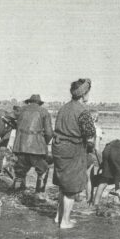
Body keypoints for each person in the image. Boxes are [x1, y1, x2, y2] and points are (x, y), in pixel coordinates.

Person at [52, 79, 95, 229]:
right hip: (72, 150)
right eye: (88, 92)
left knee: (63, 185)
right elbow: (90, 135)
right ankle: (65, 221)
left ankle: (58, 217)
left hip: (58, 148)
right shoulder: (82, 111)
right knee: (71, 188)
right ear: (84, 94)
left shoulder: (64, 108)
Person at [12, 94, 53, 197]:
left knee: (20, 172)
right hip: (36, 149)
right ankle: (39, 193)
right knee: (42, 169)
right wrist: (44, 142)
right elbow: (49, 133)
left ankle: (16, 194)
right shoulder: (44, 112)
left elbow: (9, 117)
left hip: (20, 146)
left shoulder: (21, 110)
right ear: (39, 103)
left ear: (29, 101)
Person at [93, 139, 120, 206]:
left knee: (104, 181)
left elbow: (117, 172)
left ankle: (95, 205)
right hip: (119, 149)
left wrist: (117, 189)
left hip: (107, 148)